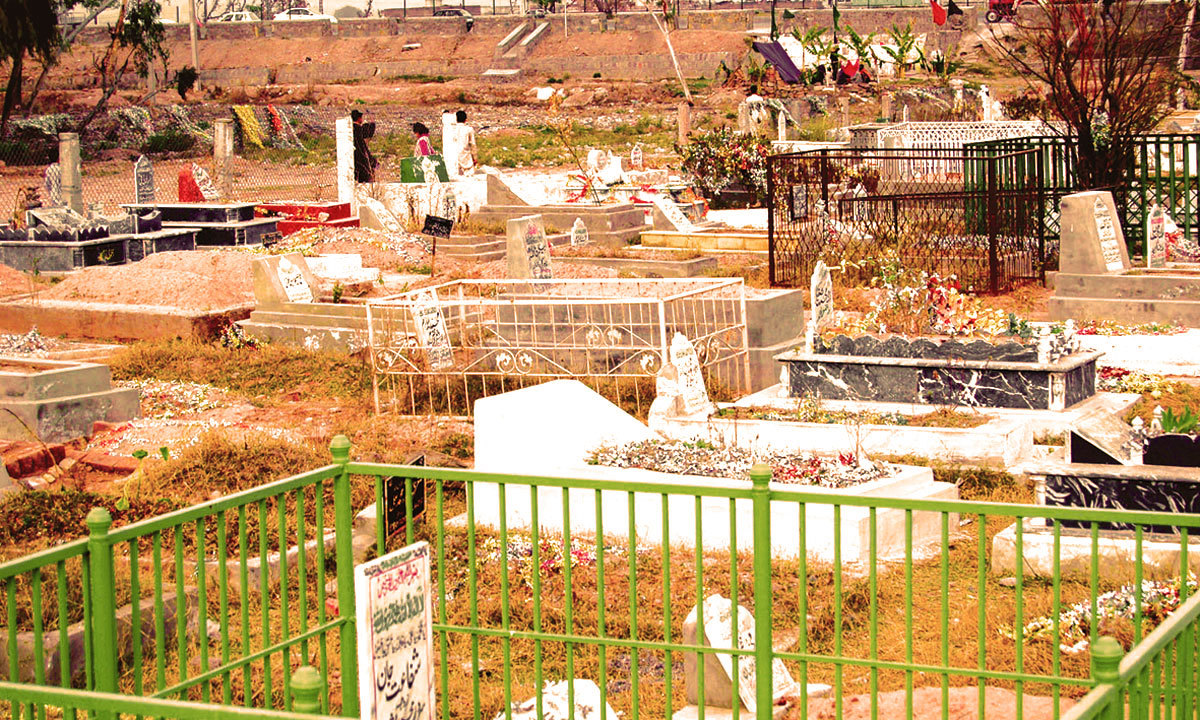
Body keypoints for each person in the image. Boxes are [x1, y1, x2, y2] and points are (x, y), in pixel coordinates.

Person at [350, 109, 378, 183]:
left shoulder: (351, 129)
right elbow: (368, 133)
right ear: (359, 118)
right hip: (361, 160)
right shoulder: (358, 129)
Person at [455, 109, 477, 177]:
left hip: (454, 156)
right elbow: (473, 144)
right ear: (465, 120)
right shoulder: (469, 129)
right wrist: (475, 157)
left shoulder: (452, 129)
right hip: (465, 156)